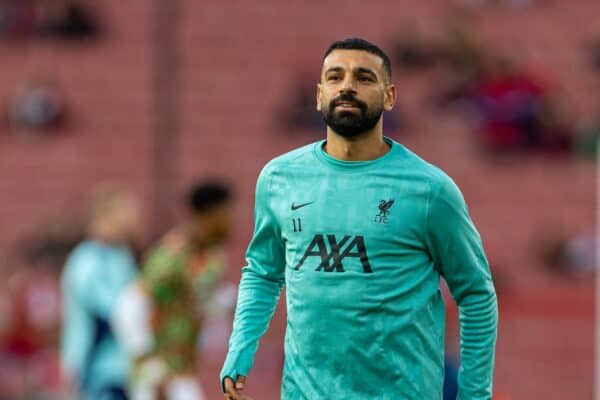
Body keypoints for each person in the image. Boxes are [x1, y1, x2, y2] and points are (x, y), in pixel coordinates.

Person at [221, 37, 498, 399]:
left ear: (390, 96)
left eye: (364, 78)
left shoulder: (430, 190)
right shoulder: (279, 179)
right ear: (319, 95)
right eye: (335, 77)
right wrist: (240, 348)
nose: (347, 86)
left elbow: (476, 293)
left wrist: (474, 393)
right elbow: (262, 272)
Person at [116, 181, 233, 400]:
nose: (231, 222)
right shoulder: (172, 255)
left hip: (182, 369)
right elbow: (130, 304)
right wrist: (150, 365)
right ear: (209, 215)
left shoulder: (211, 258)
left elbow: (202, 301)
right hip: (159, 373)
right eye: (226, 214)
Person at [61, 185, 140, 399]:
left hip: (123, 366)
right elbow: (107, 310)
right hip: (96, 363)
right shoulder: (87, 259)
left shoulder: (121, 255)